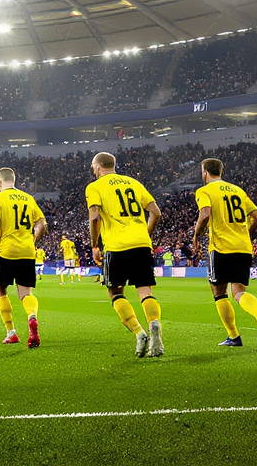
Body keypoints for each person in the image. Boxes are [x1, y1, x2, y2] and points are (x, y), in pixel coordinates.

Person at [86, 152, 165, 358]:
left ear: (98, 167)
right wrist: (145, 233)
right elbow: (156, 212)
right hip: (140, 244)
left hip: (116, 246)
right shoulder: (134, 183)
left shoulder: (95, 187)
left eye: (93, 167)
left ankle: (139, 333)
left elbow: (95, 217)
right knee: (145, 291)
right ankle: (154, 324)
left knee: (115, 293)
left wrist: (95, 244)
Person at [192, 158, 257, 351]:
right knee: (239, 292)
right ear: (221, 170)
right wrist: (246, 233)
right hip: (242, 247)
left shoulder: (204, 191)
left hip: (221, 247)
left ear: (205, 173)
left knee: (219, 292)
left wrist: (196, 236)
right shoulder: (238, 190)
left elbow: (205, 214)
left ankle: (233, 336)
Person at [0, 168, 47, 348]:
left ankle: (11, 332)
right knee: (26, 292)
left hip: (6, 250)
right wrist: (35, 239)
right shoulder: (28, 198)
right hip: (27, 251)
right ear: (14, 180)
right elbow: (42, 223)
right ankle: (32, 316)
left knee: (1, 290)